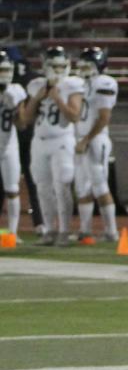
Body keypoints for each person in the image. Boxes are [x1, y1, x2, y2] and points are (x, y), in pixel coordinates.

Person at [18, 47, 84, 246]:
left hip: (62, 140)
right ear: (45, 66)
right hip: (39, 141)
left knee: (62, 185)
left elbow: (74, 116)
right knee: (42, 188)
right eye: (54, 66)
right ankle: (50, 230)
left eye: (62, 65)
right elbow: (25, 119)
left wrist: (57, 99)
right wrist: (37, 98)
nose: (58, 70)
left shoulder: (73, 84)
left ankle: (64, 231)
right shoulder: (36, 85)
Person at [70, 47, 119, 243]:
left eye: (88, 65)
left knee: (99, 185)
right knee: (82, 187)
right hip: (81, 139)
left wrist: (86, 139)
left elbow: (104, 117)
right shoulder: (83, 84)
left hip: (95, 139)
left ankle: (111, 231)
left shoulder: (105, 82)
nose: (84, 69)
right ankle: (85, 230)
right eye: (82, 65)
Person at [0, 52, 26, 236]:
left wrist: (15, 108)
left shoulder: (16, 89)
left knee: (12, 188)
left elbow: (22, 124)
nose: (5, 73)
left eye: (7, 69)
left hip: (9, 145)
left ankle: (12, 232)